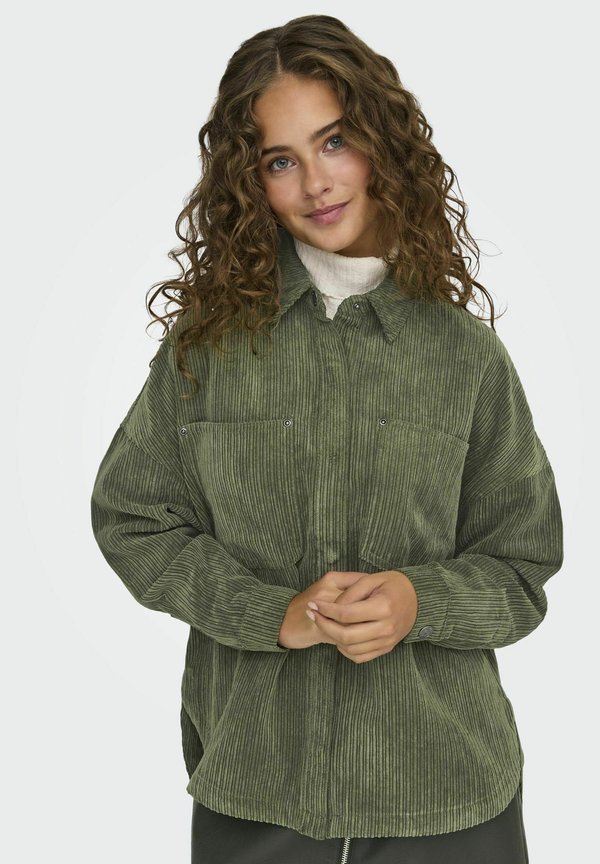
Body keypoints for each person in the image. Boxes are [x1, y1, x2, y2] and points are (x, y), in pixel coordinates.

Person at [90, 14, 563, 864]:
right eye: (280, 161)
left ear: (382, 143)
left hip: (450, 797)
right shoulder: (209, 349)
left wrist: (418, 602)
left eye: (335, 141)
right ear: (250, 183)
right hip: (258, 794)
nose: (315, 183)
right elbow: (133, 520)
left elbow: (521, 570)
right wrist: (270, 614)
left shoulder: (466, 356)